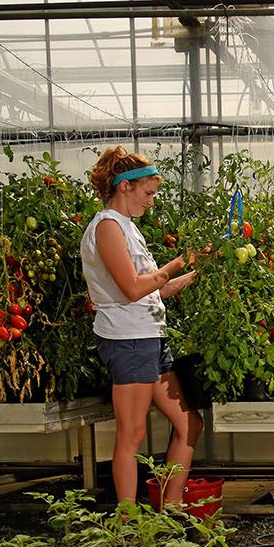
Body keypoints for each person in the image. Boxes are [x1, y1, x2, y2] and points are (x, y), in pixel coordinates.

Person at [82, 146, 204, 507]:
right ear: (124, 187)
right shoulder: (106, 227)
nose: (151, 201)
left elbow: (158, 289)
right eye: (148, 193)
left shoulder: (127, 229)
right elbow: (133, 288)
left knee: (189, 425)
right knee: (132, 434)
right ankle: (127, 522)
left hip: (150, 337)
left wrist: (200, 270)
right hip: (128, 340)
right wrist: (178, 261)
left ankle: (171, 509)